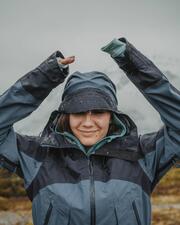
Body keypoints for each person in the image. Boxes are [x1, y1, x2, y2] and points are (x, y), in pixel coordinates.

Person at [0, 37, 179, 225]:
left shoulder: (143, 154)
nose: (88, 122)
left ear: (112, 116)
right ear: (66, 115)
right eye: (78, 112)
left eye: (98, 112)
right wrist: (45, 77)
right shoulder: (37, 156)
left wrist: (132, 63)